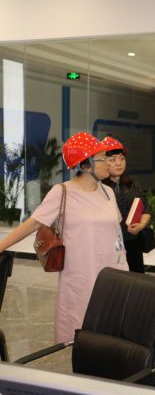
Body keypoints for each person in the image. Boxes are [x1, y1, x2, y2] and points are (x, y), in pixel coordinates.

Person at [0, 132, 127, 343]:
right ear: (86, 165)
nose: (109, 163)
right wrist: (1, 246)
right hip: (82, 276)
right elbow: (33, 223)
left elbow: (115, 234)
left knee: (111, 334)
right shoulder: (62, 192)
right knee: (81, 332)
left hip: (114, 273)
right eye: (102, 158)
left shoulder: (108, 192)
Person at [100, 136, 151, 273]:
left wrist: (141, 225)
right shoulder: (98, 188)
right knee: (114, 279)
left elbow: (146, 207)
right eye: (113, 160)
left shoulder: (133, 184)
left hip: (133, 243)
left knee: (136, 279)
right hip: (110, 245)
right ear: (102, 161)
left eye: (122, 158)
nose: (119, 163)